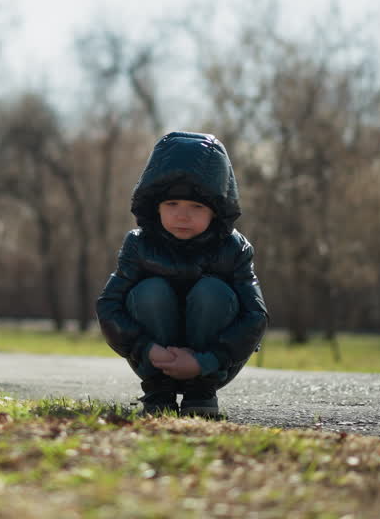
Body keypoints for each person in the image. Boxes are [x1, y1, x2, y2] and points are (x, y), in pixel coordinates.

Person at [95, 131, 269, 416]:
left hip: (213, 361)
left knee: (212, 291)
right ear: (155, 205)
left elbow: (256, 315)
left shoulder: (234, 248)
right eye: (171, 204)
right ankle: (158, 392)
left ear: (216, 209)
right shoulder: (139, 244)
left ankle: (200, 393)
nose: (182, 215)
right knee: (150, 290)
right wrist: (147, 349)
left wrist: (206, 361)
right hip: (153, 356)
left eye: (196, 206)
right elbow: (108, 305)